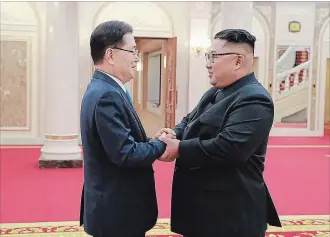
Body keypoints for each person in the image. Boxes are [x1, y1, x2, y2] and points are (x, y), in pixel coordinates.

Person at [155, 29, 282, 237]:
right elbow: (190, 120)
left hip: (229, 212)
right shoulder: (217, 90)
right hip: (204, 206)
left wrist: (179, 148)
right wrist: (174, 133)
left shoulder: (254, 98)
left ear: (238, 61)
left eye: (214, 57)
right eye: (208, 56)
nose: (208, 63)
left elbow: (231, 148)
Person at [79, 20, 166, 237]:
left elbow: (120, 138)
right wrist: (161, 145)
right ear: (111, 55)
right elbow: (125, 153)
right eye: (132, 51)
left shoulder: (105, 88)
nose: (136, 57)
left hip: (113, 207)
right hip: (117, 213)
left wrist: (149, 140)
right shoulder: (107, 94)